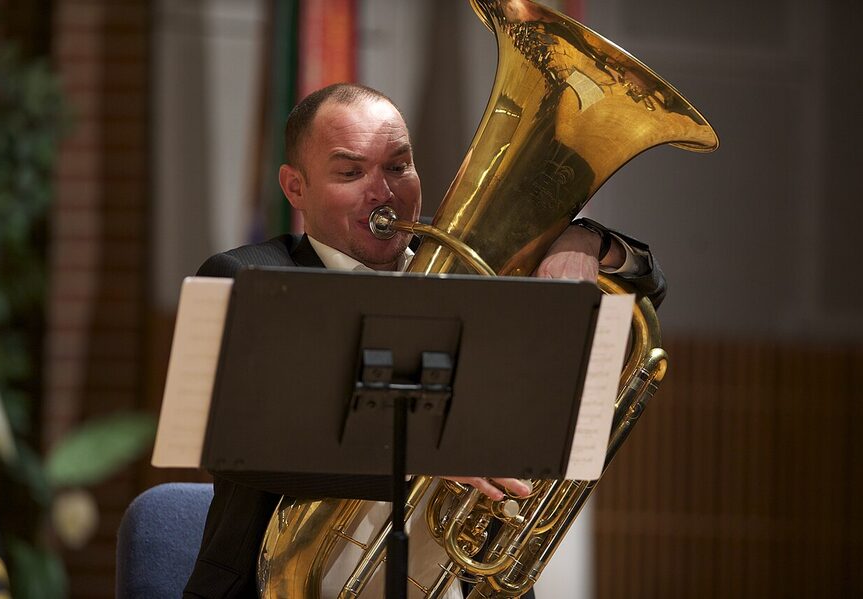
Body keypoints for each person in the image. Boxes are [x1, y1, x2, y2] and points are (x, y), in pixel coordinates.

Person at [183, 83, 666, 598]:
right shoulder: (247, 276)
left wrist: (585, 240)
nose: (383, 192)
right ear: (295, 187)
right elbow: (238, 445)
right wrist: (424, 453)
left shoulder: (478, 262)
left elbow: (648, 285)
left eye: (398, 166)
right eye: (350, 172)